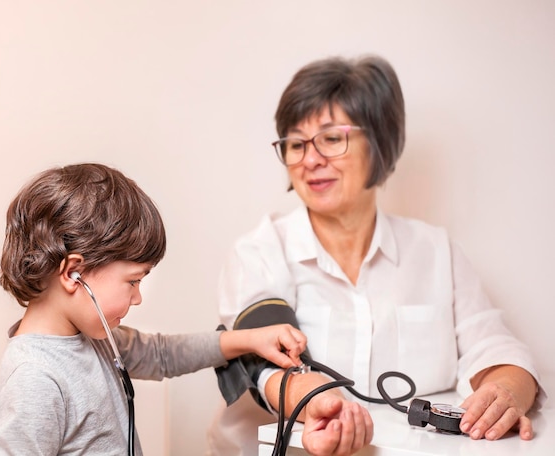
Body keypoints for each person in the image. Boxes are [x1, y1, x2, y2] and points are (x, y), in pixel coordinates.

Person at [207, 55, 546, 456]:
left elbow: (498, 351)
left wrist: (505, 391)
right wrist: (315, 399)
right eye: (296, 144)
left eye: (332, 139)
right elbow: (261, 363)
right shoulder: (259, 252)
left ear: (380, 143)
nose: (311, 159)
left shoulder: (436, 251)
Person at [0, 163, 307, 456]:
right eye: (133, 281)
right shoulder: (35, 377)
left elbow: (163, 354)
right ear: (74, 273)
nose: (138, 297)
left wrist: (249, 340)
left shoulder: (98, 339)